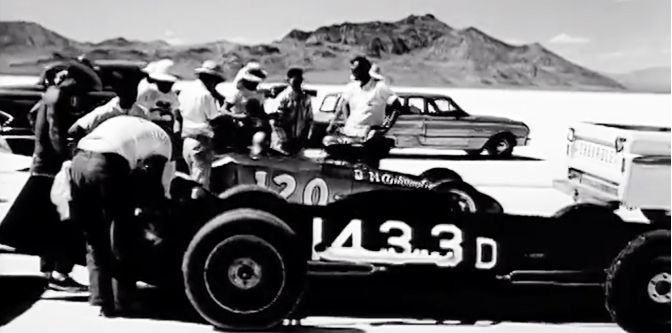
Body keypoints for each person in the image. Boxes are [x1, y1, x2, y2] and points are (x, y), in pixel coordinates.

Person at [0, 63, 101, 292]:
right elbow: (55, 130)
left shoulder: (48, 96)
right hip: (52, 168)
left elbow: (33, 115)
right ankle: (59, 274)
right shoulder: (58, 97)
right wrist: (66, 157)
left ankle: (49, 270)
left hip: (42, 164)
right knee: (65, 221)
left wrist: (40, 143)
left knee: (48, 220)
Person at [69, 115, 175, 318]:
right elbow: (154, 183)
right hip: (108, 165)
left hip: (79, 162)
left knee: (94, 235)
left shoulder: (130, 123)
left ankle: (99, 296)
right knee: (120, 236)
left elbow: (74, 130)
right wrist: (156, 211)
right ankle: (122, 300)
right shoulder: (163, 142)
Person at [326, 57, 402, 144]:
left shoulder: (379, 88)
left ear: (365, 70)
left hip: (369, 132)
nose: (353, 72)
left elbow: (396, 106)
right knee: (328, 142)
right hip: (351, 131)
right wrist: (336, 123)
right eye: (352, 70)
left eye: (356, 70)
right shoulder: (352, 87)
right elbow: (343, 104)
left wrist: (386, 126)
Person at [178, 60, 226, 190]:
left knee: (192, 179)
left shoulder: (185, 91)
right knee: (200, 184)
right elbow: (215, 119)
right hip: (201, 141)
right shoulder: (205, 95)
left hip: (187, 140)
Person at [68, 69, 148, 138]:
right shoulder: (106, 112)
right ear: (120, 90)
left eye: (135, 85)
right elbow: (75, 129)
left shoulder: (141, 112)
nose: (132, 90)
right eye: (129, 86)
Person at [217, 62, 270, 150]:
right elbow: (223, 109)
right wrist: (235, 116)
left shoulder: (259, 93)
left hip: (254, 124)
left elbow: (260, 110)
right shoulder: (237, 93)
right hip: (239, 124)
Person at [269, 68, 314, 155]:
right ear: (288, 80)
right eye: (295, 79)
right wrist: (283, 138)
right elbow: (275, 119)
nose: (298, 82)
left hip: (298, 140)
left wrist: (306, 136)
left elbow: (309, 118)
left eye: (299, 79)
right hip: (283, 141)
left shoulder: (305, 98)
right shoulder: (283, 97)